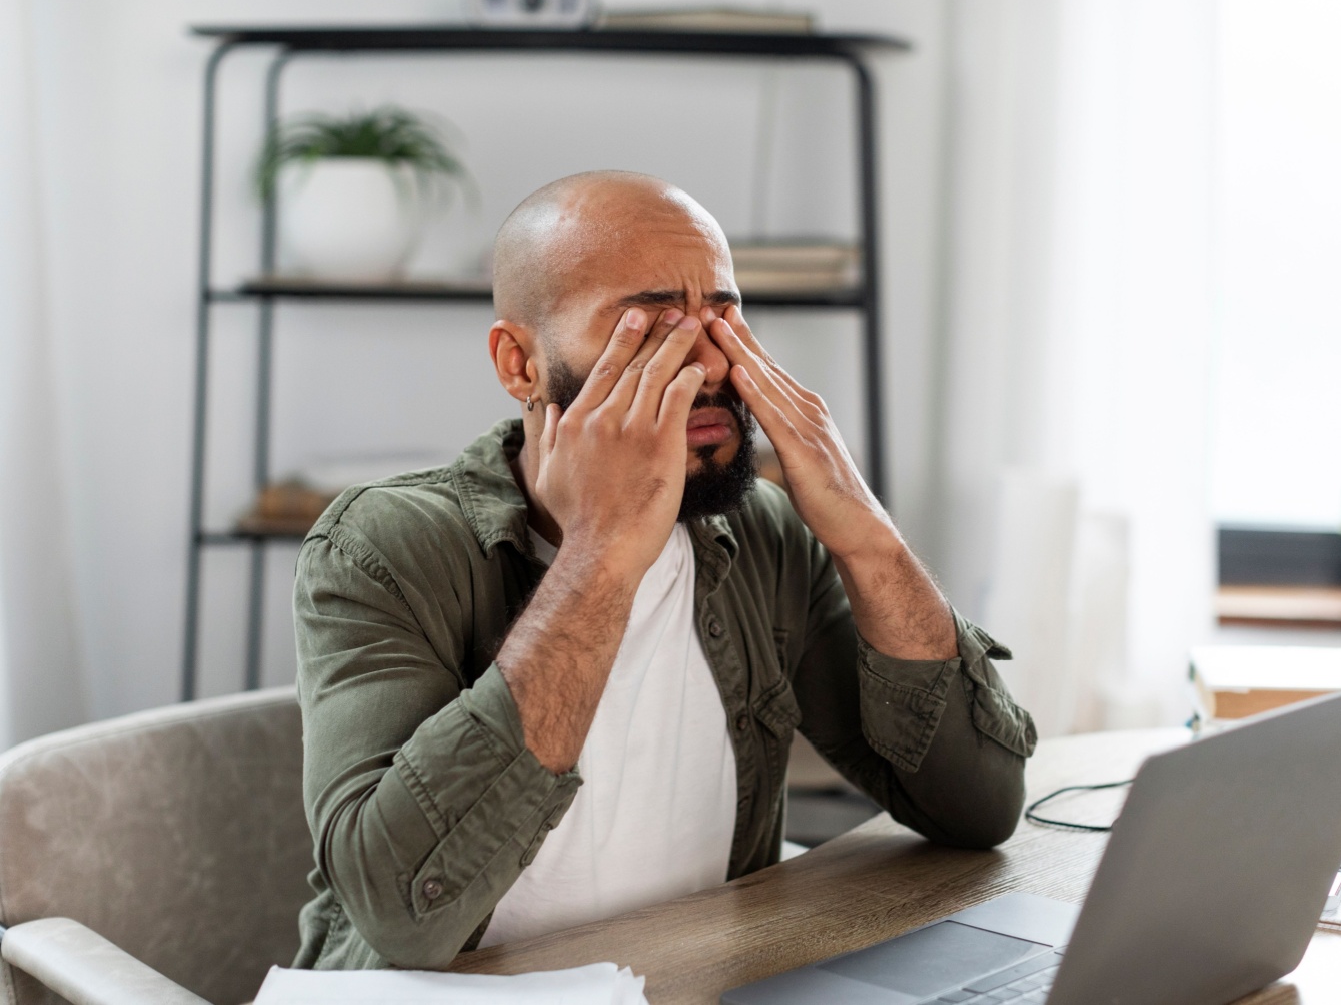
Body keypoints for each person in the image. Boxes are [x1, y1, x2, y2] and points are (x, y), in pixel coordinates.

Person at [291, 170, 1036, 970]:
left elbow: (976, 809)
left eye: (723, 314)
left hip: (692, 980)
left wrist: (868, 538)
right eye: (649, 325)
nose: (712, 362)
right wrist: (601, 554)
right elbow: (404, 915)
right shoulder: (383, 547)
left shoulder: (763, 536)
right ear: (520, 366)